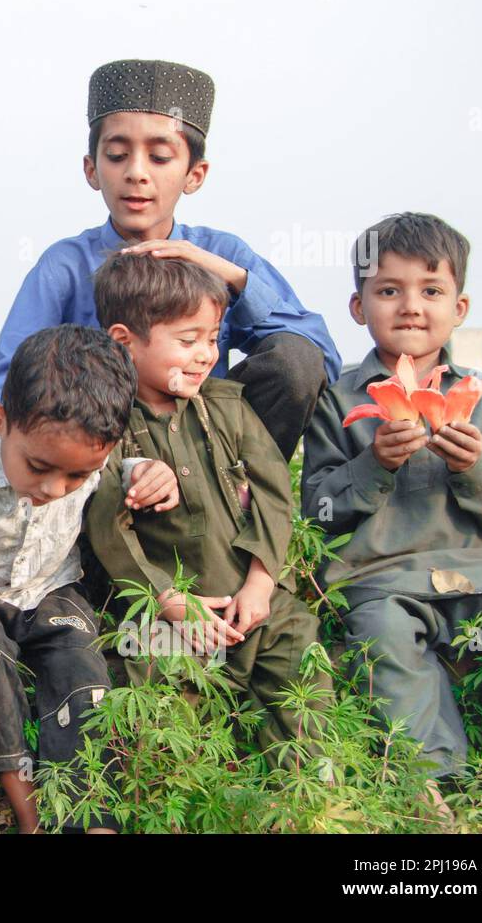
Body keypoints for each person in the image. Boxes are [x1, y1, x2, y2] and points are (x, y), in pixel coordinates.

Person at [0, 58, 340, 459]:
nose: (136, 173)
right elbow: (3, 384)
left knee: (295, 358)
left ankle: (241, 502)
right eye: (116, 155)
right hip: (102, 460)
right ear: (92, 169)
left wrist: (232, 278)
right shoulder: (65, 266)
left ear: (194, 175)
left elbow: (316, 358)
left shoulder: (223, 254)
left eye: (160, 158)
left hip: (206, 453)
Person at [0, 323, 177, 833]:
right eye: (38, 466)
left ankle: (90, 821)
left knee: (81, 670)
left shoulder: (92, 448)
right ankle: (28, 809)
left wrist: (147, 468)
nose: (56, 487)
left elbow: (119, 466)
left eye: (77, 477)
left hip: (53, 585)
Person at [302, 212, 482, 812]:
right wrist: (372, 464)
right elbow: (317, 508)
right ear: (358, 306)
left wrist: (476, 466)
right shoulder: (341, 398)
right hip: (381, 579)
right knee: (386, 641)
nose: (410, 306)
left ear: (460, 307)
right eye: (388, 290)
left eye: (431, 291)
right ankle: (436, 790)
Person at [85, 250, 331, 762]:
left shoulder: (227, 405)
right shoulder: (108, 425)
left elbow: (271, 491)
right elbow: (109, 529)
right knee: (151, 686)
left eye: (214, 338)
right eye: (188, 340)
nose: (206, 355)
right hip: (165, 611)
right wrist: (171, 602)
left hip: (251, 599)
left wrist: (262, 583)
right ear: (123, 341)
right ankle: (184, 782)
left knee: (299, 652)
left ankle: (306, 793)